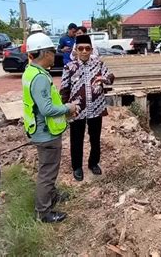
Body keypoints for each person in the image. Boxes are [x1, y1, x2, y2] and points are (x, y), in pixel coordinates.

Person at [22, 32, 78, 223]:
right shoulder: (39, 78)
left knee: (48, 169)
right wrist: (68, 108)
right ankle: (43, 212)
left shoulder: (30, 72)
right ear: (45, 53)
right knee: (47, 173)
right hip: (46, 134)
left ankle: (51, 197)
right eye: (53, 52)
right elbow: (46, 109)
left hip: (39, 130)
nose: (55, 56)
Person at [60, 34, 114, 181]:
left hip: (96, 109)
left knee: (95, 138)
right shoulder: (69, 67)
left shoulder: (99, 64)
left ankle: (93, 163)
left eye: (87, 48)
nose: (84, 51)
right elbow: (64, 89)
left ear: (91, 50)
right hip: (76, 110)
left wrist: (104, 79)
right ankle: (77, 167)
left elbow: (110, 78)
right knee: (76, 139)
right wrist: (65, 108)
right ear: (76, 50)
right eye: (81, 48)